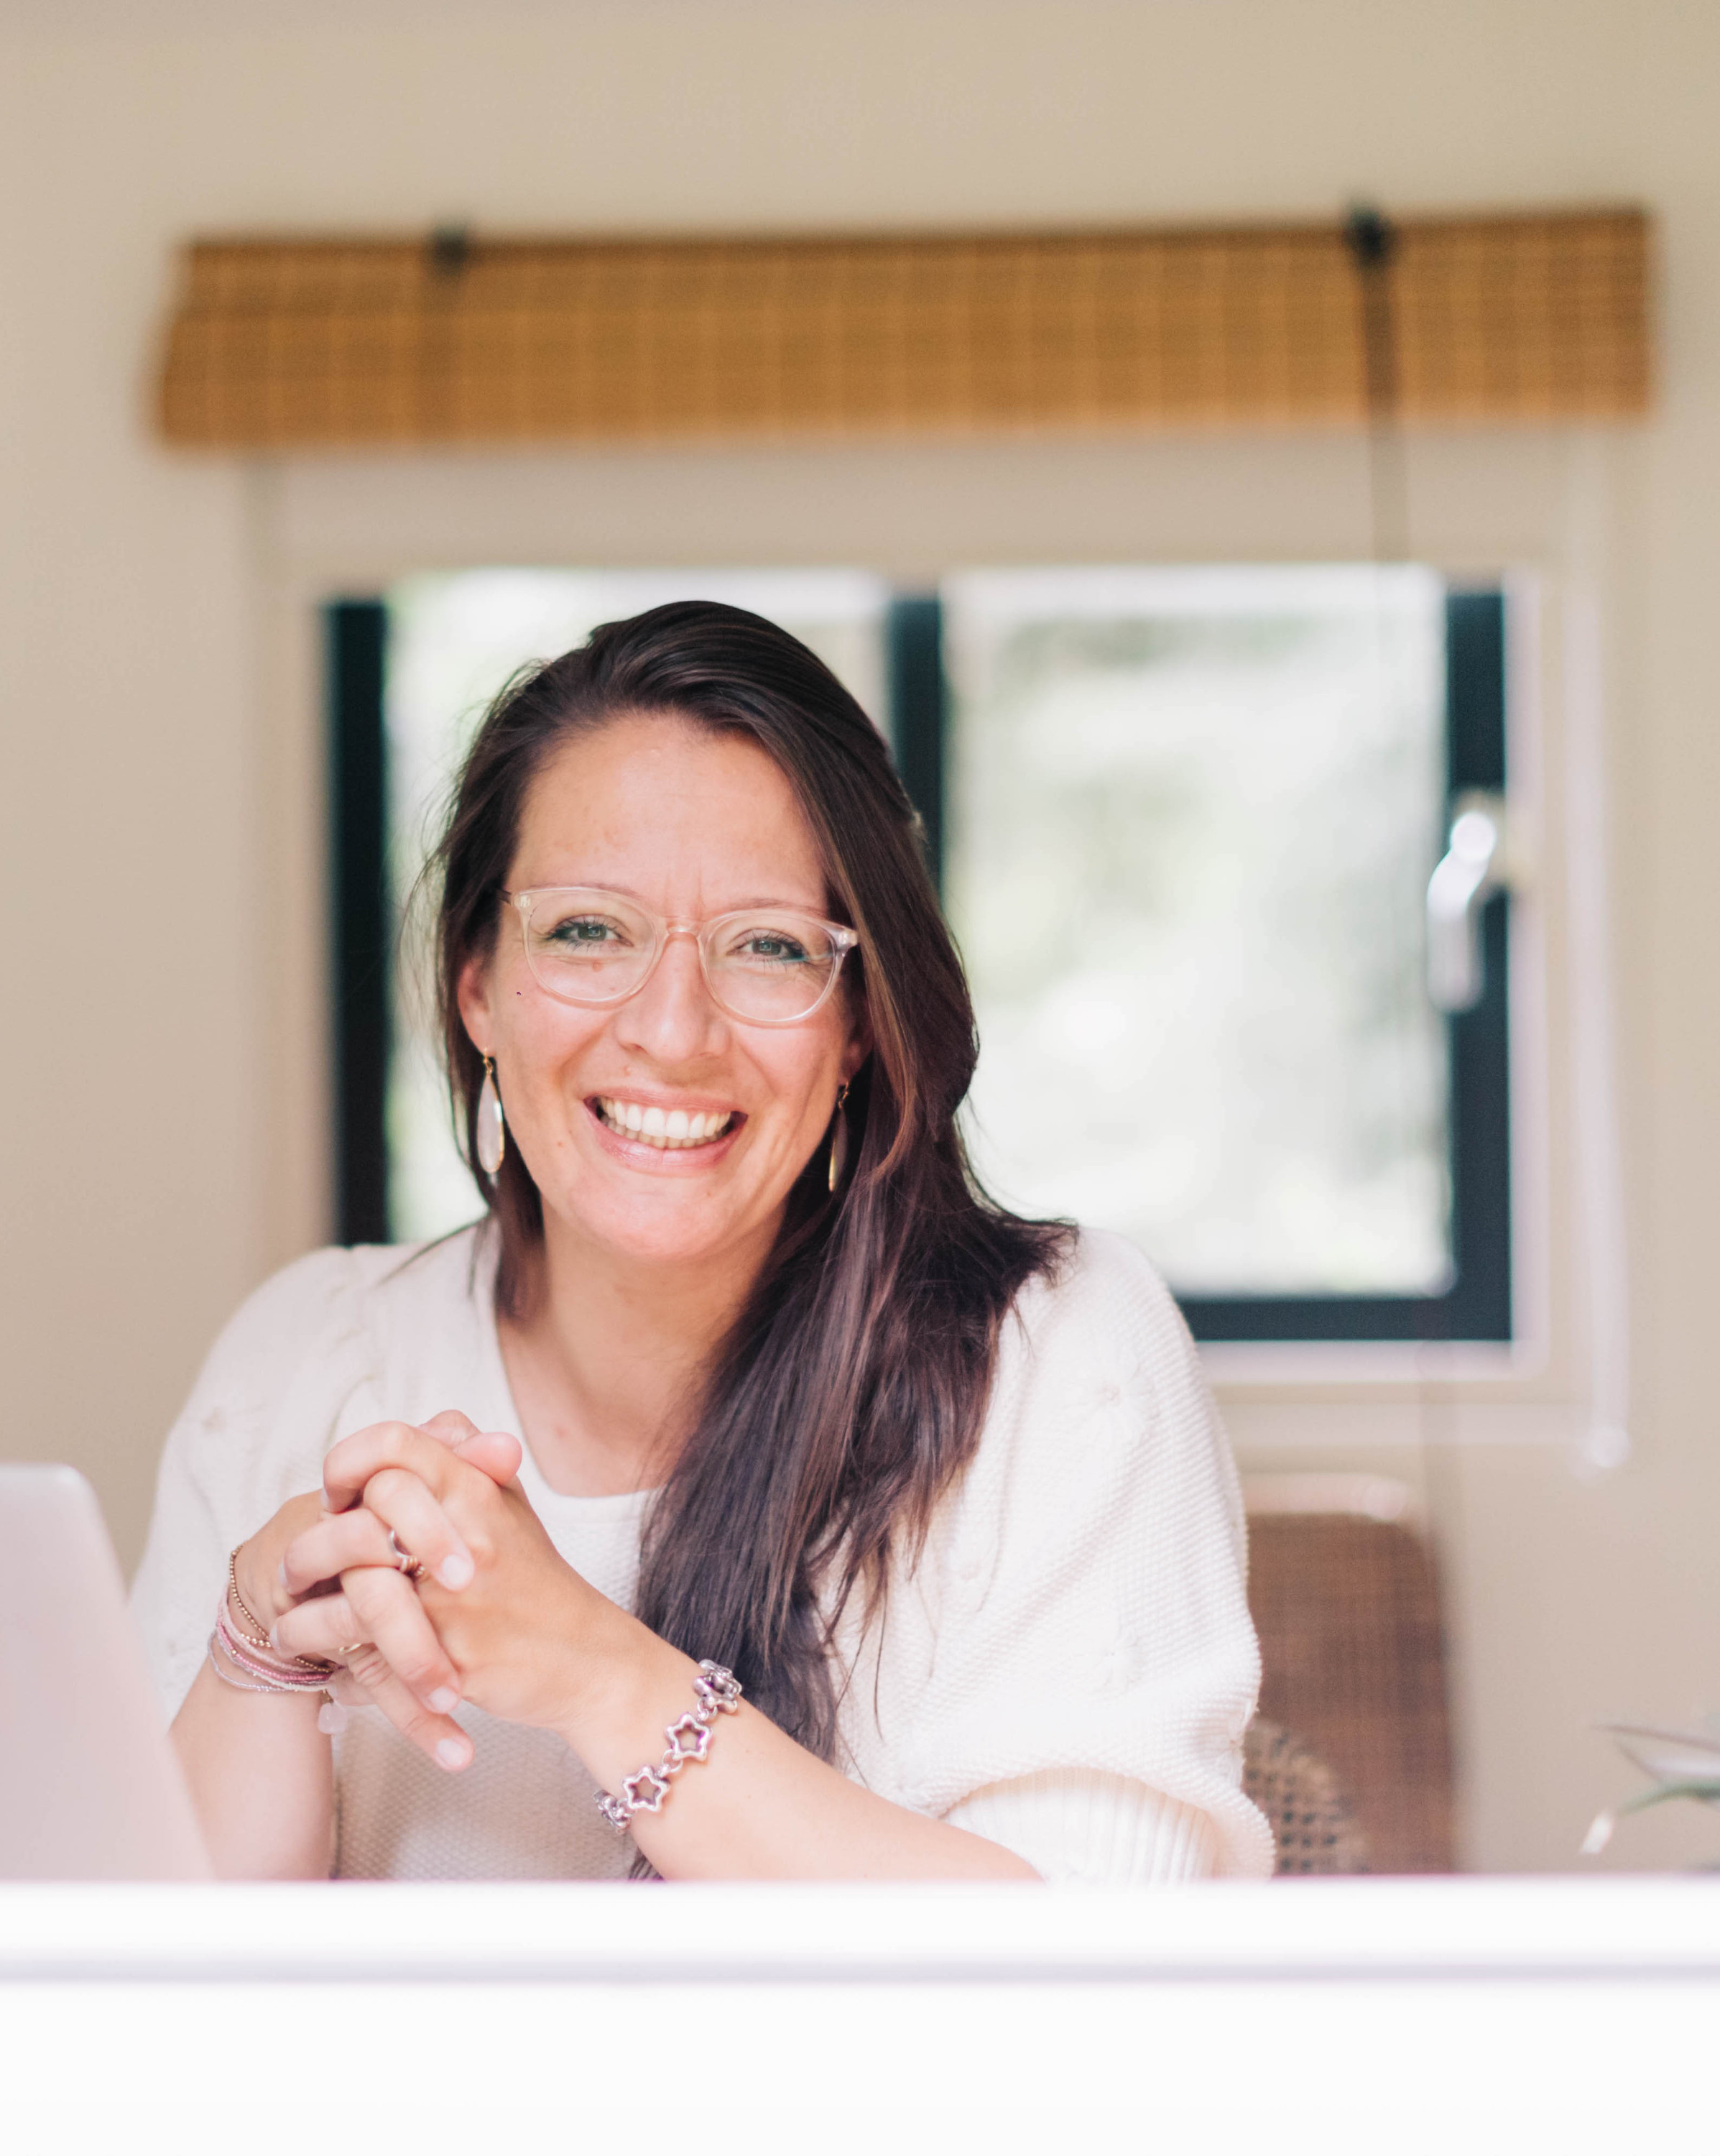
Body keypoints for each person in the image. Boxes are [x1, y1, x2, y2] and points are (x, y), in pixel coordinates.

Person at [131, 600, 1272, 1884]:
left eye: (769, 948)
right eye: (587, 930)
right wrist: (258, 1650)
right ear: (478, 989)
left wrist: (598, 1672)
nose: (672, 1032)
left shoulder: (1057, 1355)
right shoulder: (302, 1358)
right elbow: (132, 1983)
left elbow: (1102, 1970)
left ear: (858, 1025)